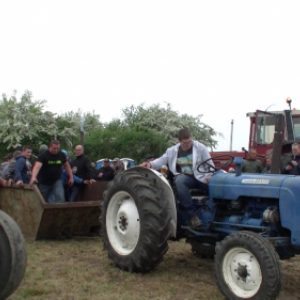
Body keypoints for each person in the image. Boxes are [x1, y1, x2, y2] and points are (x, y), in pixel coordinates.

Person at [140, 128, 214, 230]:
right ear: (179, 141)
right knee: (180, 181)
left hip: (201, 177)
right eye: (185, 143)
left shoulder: (200, 148)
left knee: (216, 184)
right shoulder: (172, 151)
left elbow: (210, 165)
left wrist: (209, 176)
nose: (188, 145)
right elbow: (162, 160)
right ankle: (192, 216)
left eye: (190, 142)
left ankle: (215, 212)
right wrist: (150, 164)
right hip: (186, 178)